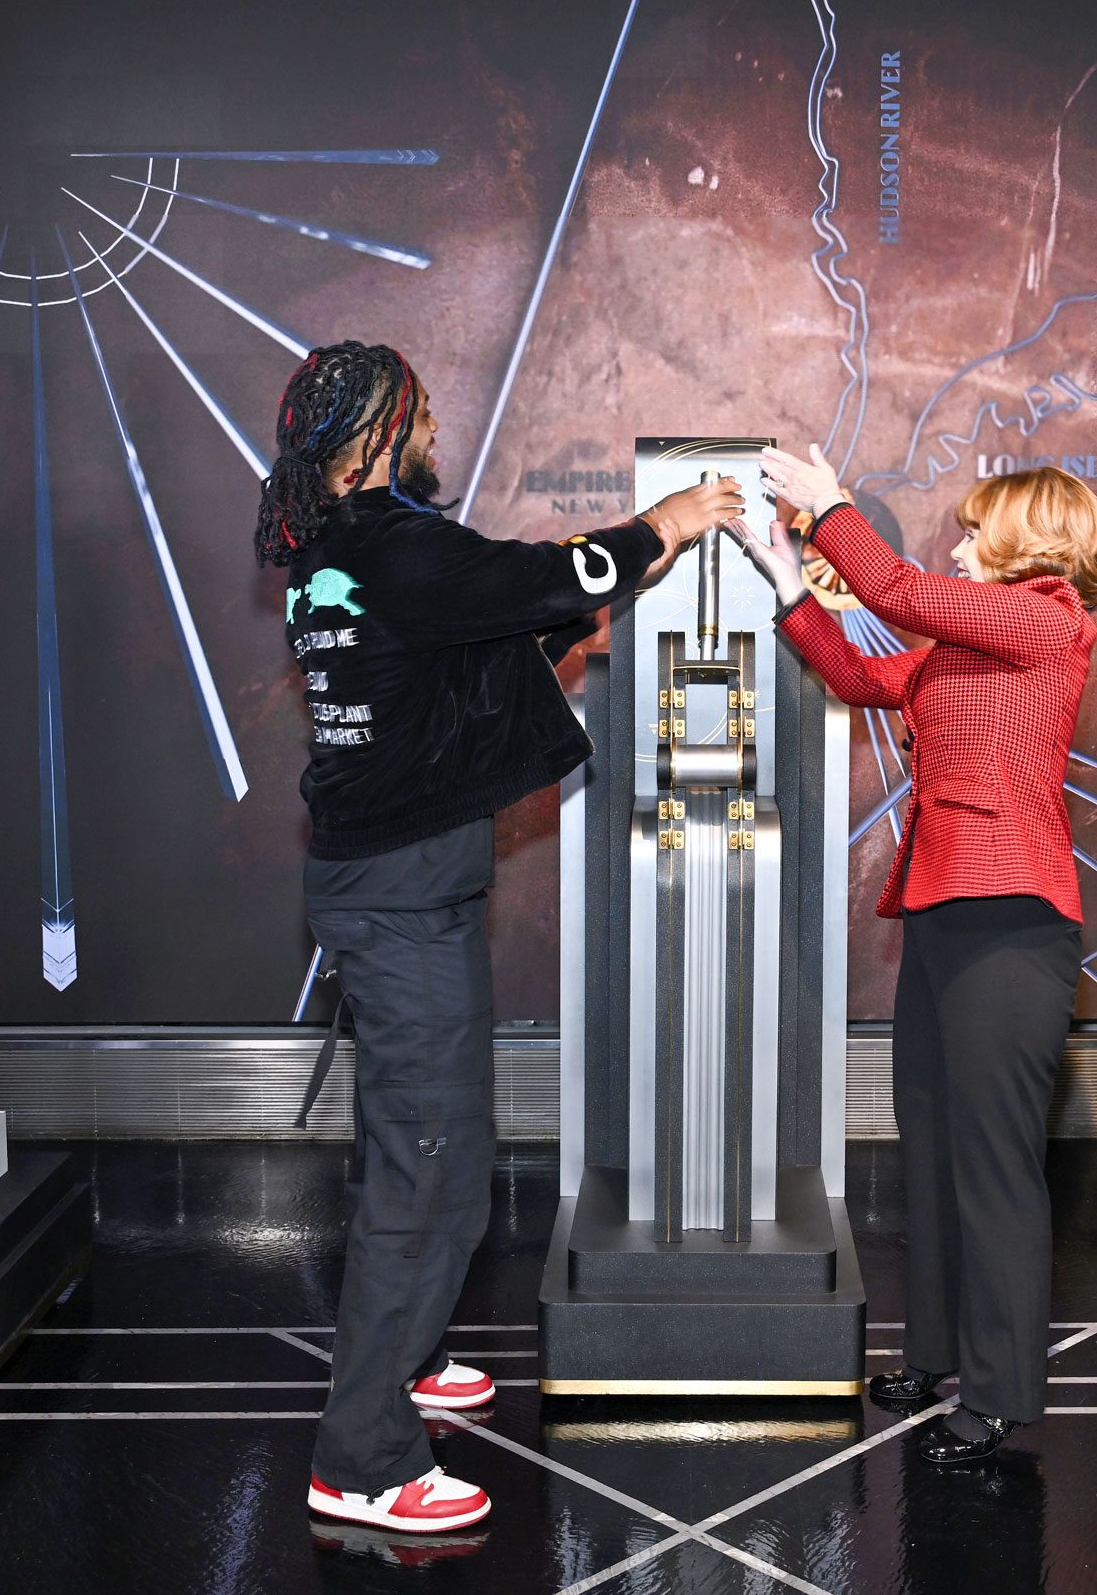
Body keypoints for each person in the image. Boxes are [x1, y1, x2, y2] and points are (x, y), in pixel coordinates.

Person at [259, 342, 740, 1533]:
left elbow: (442, 675)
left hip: (395, 888)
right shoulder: (402, 545)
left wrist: (551, 641)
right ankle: (363, 1455)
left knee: (425, 1149)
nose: (434, 430)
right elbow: (552, 573)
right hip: (401, 898)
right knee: (427, 1174)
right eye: (420, 414)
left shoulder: (333, 552)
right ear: (381, 430)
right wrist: (667, 521)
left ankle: (407, 1359)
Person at [739, 444, 1097, 1465]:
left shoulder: (1045, 621)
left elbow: (893, 586)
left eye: (976, 526)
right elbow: (861, 672)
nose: (958, 539)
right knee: (937, 1149)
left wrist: (832, 507)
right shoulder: (971, 647)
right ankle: (940, 1355)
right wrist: (784, 578)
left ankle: (998, 1395)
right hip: (947, 910)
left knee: (993, 1167)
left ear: (1029, 537)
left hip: (1011, 920)